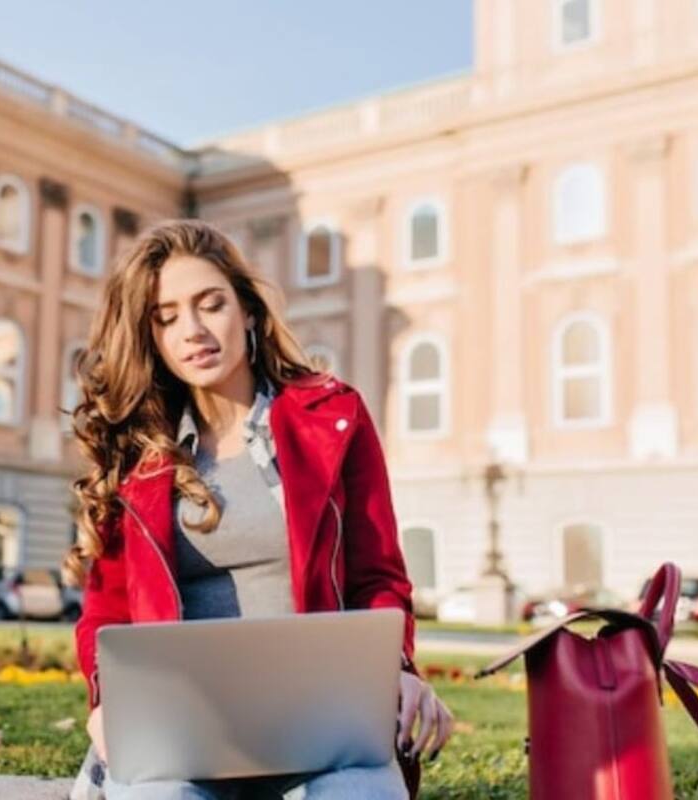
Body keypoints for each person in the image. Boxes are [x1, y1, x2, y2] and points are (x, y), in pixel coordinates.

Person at [64, 219, 454, 800]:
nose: (192, 331)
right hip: (179, 739)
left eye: (210, 304)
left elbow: (377, 575)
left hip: (323, 728)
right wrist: (105, 704)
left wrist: (397, 668)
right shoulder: (136, 454)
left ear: (247, 311)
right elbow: (105, 612)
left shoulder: (333, 417)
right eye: (166, 318)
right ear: (152, 339)